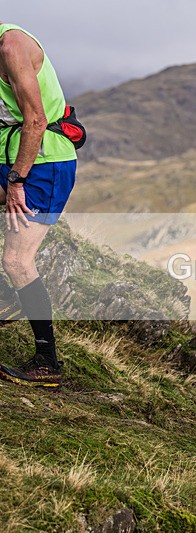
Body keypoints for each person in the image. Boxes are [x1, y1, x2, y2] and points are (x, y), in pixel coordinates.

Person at [0, 23, 78, 389]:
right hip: (14, 155)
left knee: (17, 261)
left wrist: (16, 183)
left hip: (43, 163)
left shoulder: (11, 46)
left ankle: (48, 362)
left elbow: (35, 119)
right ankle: (6, 301)